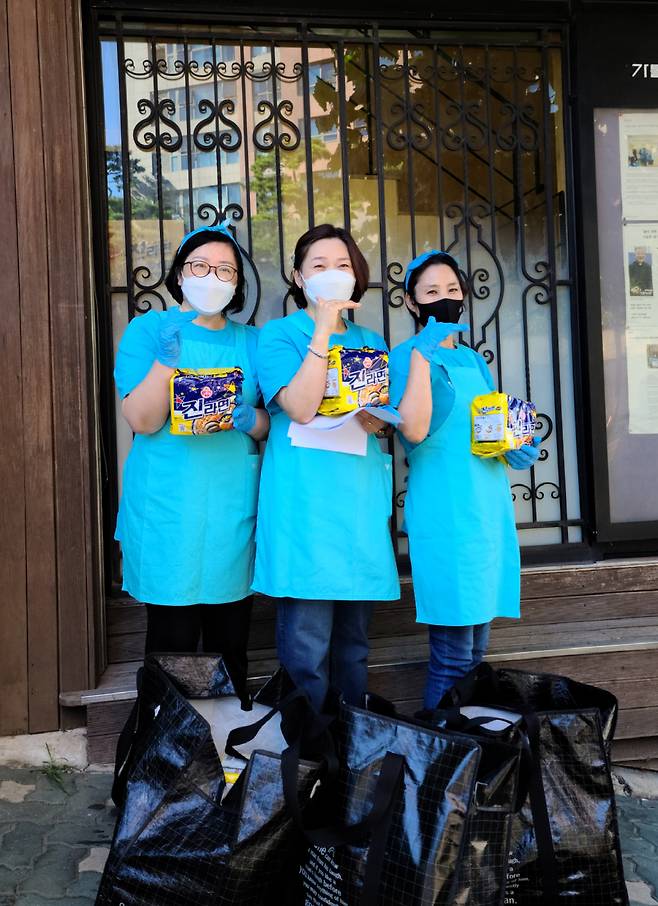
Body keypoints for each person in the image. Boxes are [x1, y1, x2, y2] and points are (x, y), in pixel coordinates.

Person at [113, 221, 269, 691]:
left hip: (229, 512)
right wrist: (166, 361)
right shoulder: (147, 330)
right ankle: (167, 755)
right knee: (171, 647)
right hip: (167, 509)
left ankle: (226, 755)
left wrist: (249, 418)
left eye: (225, 270)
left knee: (230, 648)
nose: (212, 276)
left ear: (237, 284)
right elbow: (141, 420)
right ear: (179, 274)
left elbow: (269, 427)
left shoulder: (254, 342)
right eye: (200, 266)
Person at [254, 223, 400, 710]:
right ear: (298, 277)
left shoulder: (370, 339)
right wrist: (322, 327)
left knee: (354, 645)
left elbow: (375, 421)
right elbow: (297, 406)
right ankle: (308, 755)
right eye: (318, 265)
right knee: (307, 643)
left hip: (356, 500)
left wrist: (378, 416)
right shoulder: (278, 335)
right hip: (305, 504)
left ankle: (352, 745)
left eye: (342, 265)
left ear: (356, 274)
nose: (332, 274)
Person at [389, 250, 541, 709]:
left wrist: (516, 440)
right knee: (453, 659)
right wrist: (422, 356)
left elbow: (489, 424)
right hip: (446, 512)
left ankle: (469, 762)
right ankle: (438, 761)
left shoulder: (475, 361)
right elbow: (411, 431)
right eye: (431, 293)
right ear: (413, 304)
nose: (444, 300)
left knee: (475, 654)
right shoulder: (402, 358)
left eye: (452, 291)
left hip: (487, 510)